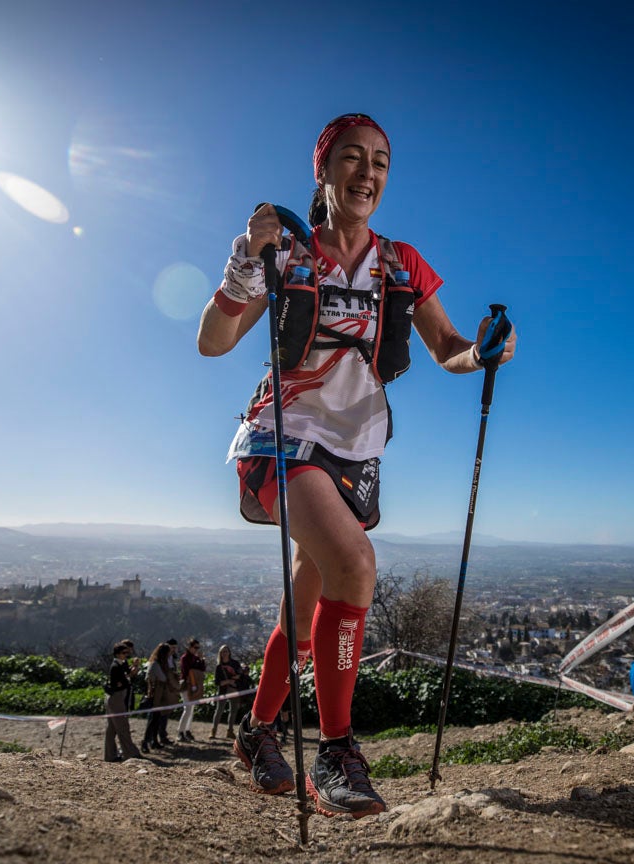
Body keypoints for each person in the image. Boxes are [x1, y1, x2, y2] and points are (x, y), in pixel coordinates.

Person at [196, 112, 517, 819]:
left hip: (357, 452)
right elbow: (213, 342)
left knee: (307, 602)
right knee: (355, 564)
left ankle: (255, 736)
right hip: (281, 438)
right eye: (351, 158)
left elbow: (449, 349)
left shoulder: (401, 262)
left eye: (379, 161)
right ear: (323, 169)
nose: (366, 172)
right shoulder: (286, 251)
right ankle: (337, 752)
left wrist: (487, 350)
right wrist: (247, 259)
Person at [102, 641, 143, 762]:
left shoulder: (122, 663)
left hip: (118, 696)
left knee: (112, 728)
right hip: (116, 698)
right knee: (122, 726)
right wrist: (126, 677)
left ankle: (110, 755)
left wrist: (131, 670)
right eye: (124, 653)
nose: (127, 655)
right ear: (118, 654)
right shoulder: (115, 666)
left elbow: (127, 677)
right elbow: (123, 682)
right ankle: (130, 753)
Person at [141, 642, 180, 752]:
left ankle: (154, 741)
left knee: (157, 720)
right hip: (155, 696)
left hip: (161, 696)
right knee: (152, 720)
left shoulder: (162, 664)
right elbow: (157, 678)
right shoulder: (155, 664)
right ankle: (145, 742)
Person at [210, 644, 247, 738]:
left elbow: (240, 675)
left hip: (235, 689)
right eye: (222, 652)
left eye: (226, 651)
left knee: (233, 711)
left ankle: (230, 731)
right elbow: (217, 682)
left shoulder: (235, 663)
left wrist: (237, 677)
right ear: (220, 654)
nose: (224, 653)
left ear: (229, 652)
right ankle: (213, 731)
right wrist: (228, 681)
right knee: (219, 710)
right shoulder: (219, 667)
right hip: (223, 690)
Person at [177, 638, 207, 741]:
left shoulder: (195, 658)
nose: (196, 650)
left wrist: (201, 660)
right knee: (187, 709)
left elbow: (202, 668)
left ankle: (187, 730)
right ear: (190, 647)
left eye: (198, 648)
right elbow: (187, 670)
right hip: (187, 685)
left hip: (195, 685)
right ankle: (181, 731)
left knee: (191, 709)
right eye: (195, 647)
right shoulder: (185, 658)